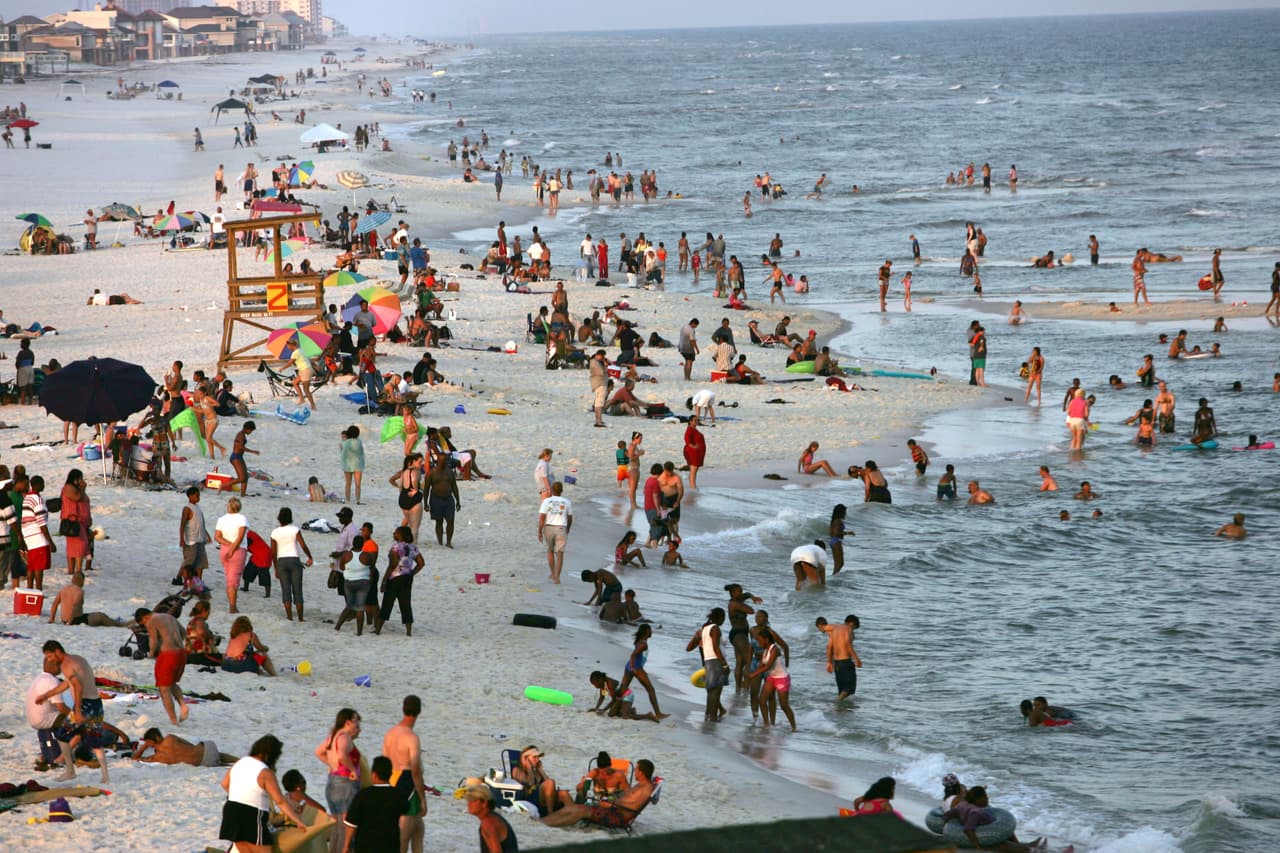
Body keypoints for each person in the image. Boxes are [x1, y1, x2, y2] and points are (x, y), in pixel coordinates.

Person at [36, 640, 110, 782]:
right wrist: (46, 695)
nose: (49, 660)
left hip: (85, 705)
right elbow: (67, 683)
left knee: (61, 734)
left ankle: (70, 771)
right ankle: (105, 775)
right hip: (96, 703)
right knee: (95, 739)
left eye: (50, 656)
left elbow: (78, 687)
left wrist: (77, 709)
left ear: (58, 651)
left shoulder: (66, 665)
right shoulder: (78, 659)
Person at [220, 735, 304, 853]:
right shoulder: (265, 772)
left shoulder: (240, 762)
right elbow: (279, 801)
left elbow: (224, 784)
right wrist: (297, 820)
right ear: (272, 755)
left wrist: (240, 795)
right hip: (252, 816)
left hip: (231, 811)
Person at [540, 759, 657, 829]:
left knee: (581, 810)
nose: (635, 772)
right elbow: (630, 799)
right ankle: (547, 820)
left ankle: (549, 823)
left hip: (616, 816)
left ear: (641, 772)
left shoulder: (646, 788)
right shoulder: (642, 784)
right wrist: (611, 801)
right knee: (577, 807)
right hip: (614, 810)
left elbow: (632, 806)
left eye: (636, 769)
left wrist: (611, 804)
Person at [381, 696, 427, 853]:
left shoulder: (390, 733)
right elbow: (415, 770)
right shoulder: (412, 738)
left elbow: (384, 762)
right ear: (419, 711)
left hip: (391, 779)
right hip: (407, 783)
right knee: (403, 837)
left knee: (418, 829)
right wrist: (423, 799)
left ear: (403, 709)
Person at [942, 786, 1046, 852]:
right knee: (1005, 845)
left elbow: (950, 813)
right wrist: (977, 846)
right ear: (978, 800)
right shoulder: (975, 812)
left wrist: (946, 819)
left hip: (989, 827)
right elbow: (968, 829)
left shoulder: (962, 804)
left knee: (1007, 833)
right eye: (985, 797)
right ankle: (1031, 849)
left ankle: (1023, 845)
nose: (987, 799)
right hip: (986, 832)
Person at [316, 708, 363, 852]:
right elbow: (342, 755)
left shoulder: (332, 736)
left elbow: (319, 752)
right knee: (346, 826)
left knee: (336, 827)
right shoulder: (344, 737)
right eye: (356, 721)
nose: (358, 725)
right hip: (345, 785)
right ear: (347, 722)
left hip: (332, 782)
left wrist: (332, 766)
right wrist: (352, 770)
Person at [137, 607, 191, 725]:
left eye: (143, 624)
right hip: (181, 654)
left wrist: (151, 654)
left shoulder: (151, 621)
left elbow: (154, 641)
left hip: (168, 655)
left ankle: (173, 720)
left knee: (164, 688)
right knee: (171, 683)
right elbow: (183, 632)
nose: (145, 626)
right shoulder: (169, 617)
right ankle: (182, 704)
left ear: (145, 617)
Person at [341, 755, 405, 853]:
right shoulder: (398, 795)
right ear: (391, 774)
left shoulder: (363, 795)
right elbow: (404, 814)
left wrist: (346, 846)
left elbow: (351, 824)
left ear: (374, 775)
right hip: (390, 846)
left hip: (365, 846)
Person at [748, 626, 797, 730]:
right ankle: (767, 725)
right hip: (772, 677)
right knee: (762, 701)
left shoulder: (775, 649)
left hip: (782, 678)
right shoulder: (765, 650)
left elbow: (768, 666)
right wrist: (750, 672)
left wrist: (754, 674)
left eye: (760, 640)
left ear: (766, 639)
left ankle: (794, 727)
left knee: (784, 705)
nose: (759, 643)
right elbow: (762, 664)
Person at [617, 623, 669, 719]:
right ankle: (658, 713)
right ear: (647, 631)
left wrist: (633, 667)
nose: (652, 632)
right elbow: (633, 655)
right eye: (650, 630)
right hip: (635, 668)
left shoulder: (639, 641)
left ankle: (617, 708)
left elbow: (638, 657)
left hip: (629, 666)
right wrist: (634, 667)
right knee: (651, 690)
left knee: (623, 689)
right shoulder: (643, 644)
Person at [271, 507, 313, 622]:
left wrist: (275, 568)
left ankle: (289, 616)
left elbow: (273, 553)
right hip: (294, 560)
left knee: (286, 590)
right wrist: (310, 557)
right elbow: (303, 545)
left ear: (279, 518)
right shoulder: (295, 529)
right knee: (297, 590)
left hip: (281, 561)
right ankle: (300, 617)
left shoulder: (274, 532)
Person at [379, 526, 423, 636]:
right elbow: (421, 563)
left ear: (401, 535)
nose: (394, 533)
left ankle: (378, 630)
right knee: (406, 604)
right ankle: (408, 632)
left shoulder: (396, 548)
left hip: (395, 578)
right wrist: (412, 572)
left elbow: (392, 565)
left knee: (387, 604)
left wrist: (384, 581)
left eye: (396, 533)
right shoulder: (413, 547)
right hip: (407, 578)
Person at [688, 608, 729, 721]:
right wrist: (724, 664)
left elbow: (689, 648)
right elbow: (716, 647)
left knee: (711, 691)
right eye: (724, 618)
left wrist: (696, 637)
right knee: (716, 691)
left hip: (708, 661)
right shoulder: (715, 629)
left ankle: (709, 715)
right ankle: (713, 717)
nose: (724, 620)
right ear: (720, 618)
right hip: (716, 661)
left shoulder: (705, 629)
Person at [215, 497, 249, 614]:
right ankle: (232, 606)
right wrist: (233, 547)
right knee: (233, 580)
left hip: (224, 549)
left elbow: (218, 537)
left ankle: (232, 604)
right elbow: (240, 537)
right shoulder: (242, 518)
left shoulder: (221, 519)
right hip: (238, 550)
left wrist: (228, 545)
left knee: (229, 577)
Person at [133, 727, 235, 766]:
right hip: (209, 747)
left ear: (151, 741)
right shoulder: (170, 738)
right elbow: (190, 745)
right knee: (215, 754)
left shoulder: (159, 757)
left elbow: (135, 759)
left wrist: (143, 747)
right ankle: (240, 760)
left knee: (212, 758)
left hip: (205, 762)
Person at [816, 615, 862, 700]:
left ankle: (839, 711)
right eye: (854, 628)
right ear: (851, 623)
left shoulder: (835, 630)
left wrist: (829, 662)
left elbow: (829, 647)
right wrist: (856, 659)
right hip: (846, 662)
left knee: (841, 690)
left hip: (837, 664)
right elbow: (847, 644)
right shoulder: (848, 629)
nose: (853, 630)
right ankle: (836, 703)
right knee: (849, 689)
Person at [465, 784, 519, 852]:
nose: (469, 804)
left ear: (484, 803)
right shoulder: (494, 817)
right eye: (468, 800)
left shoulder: (488, 824)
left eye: (472, 800)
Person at [537, 482, 572, 583]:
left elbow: (542, 518)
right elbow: (570, 518)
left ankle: (552, 573)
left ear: (552, 490)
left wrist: (539, 531)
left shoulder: (546, 501)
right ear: (561, 490)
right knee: (560, 553)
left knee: (550, 551)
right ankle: (557, 577)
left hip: (549, 528)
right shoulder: (567, 502)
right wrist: (568, 528)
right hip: (561, 528)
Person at [59, 469, 92, 575]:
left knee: (77, 546)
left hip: (81, 521)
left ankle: (74, 570)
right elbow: (77, 498)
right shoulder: (68, 488)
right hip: (72, 521)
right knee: (79, 545)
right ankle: (76, 569)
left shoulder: (76, 488)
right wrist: (83, 488)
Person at [179, 486, 211, 581]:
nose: (198, 498)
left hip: (200, 540)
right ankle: (182, 580)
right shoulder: (187, 508)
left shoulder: (198, 508)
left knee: (200, 564)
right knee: (189, 563)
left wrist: (207, 535)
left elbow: (201, 524)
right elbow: (182, 525)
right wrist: (182, 539)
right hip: (191, 541)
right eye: (197, 495)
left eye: (199, 496)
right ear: (190, 496)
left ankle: (199, 583)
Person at [228, 422, 259, 497]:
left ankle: (243, 494)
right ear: (247, 429)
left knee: (245, 477)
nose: (251, 432)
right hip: (236, 457)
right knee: (241, 478)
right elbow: (240, 447)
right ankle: (222, 485)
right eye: (251, 431)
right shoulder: (241, 436)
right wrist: (253, 451)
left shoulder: (242, 434)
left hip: (239, 457)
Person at [828, 504, 850, 574]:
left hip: (833, 541)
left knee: (838, 563)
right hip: (836, 541)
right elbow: (836, 532)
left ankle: (834, 576)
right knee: (840, 563)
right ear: (841, 512)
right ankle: (834, 576)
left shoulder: (834, 520)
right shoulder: (838, 521)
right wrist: (847, 533)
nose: (845, 513)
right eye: (844, 512)